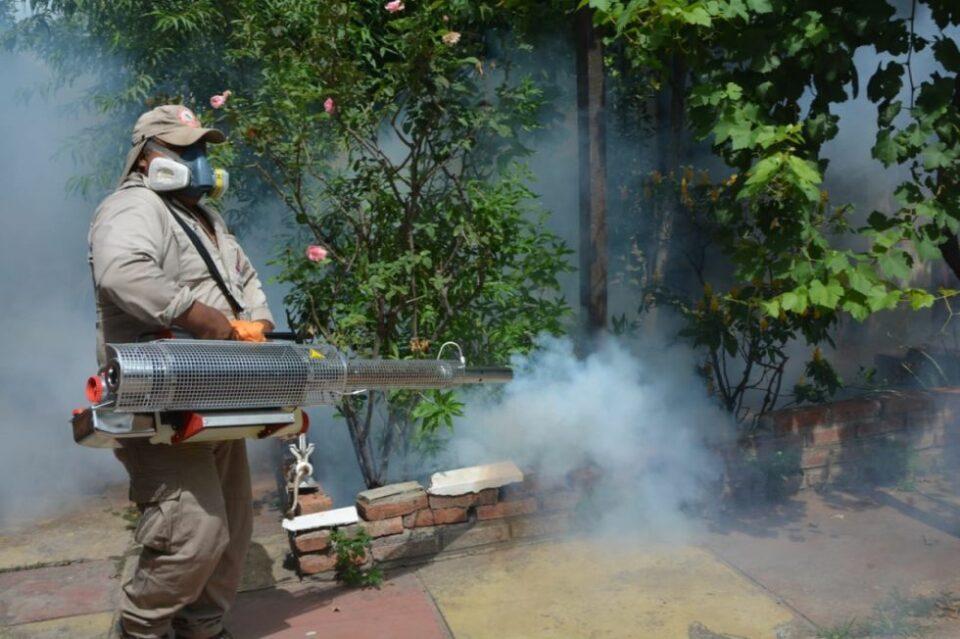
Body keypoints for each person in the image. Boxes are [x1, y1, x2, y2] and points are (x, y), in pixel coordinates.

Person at [89, 104, 274, 639]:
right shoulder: (134, 207)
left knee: (232, 533)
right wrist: (201, 318)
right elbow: (121, 273)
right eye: (185, 150)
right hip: (162, 400)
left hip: (220, 394)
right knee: (192, 533)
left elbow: (245, 282)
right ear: (150, 156)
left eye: (203, 150)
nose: (199, 161)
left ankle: (205, 630)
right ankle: (139, 629)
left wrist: (255, 323)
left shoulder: (207, 219)